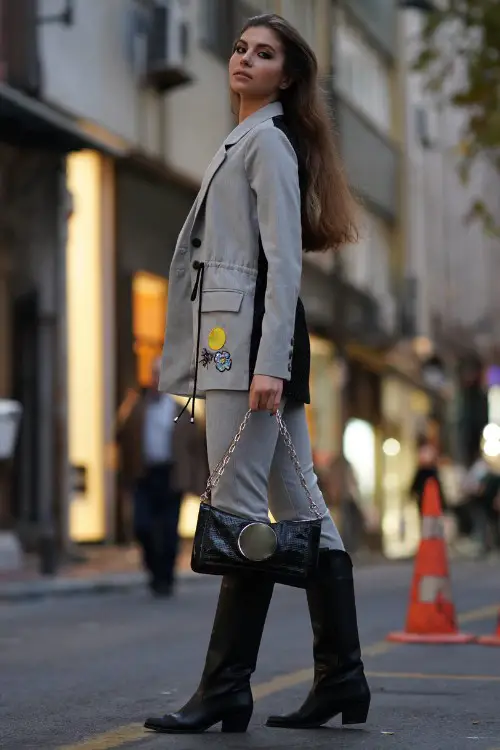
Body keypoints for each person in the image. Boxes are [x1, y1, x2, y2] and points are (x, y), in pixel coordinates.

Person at [144, 13, 370, 734]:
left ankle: (224, 689)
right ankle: (344, 678)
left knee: (238, 514)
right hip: (245, 346)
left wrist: (269, 364)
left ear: (288, 76)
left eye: (263, 54)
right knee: (302, 510)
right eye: (240, 48)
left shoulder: (265, 143)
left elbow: (284, 262)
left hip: (249, 352)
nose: (243, 59)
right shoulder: (250, 139)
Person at [118, 358, 208, 596]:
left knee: (168, 531)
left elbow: (196, 449)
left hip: (171, 476)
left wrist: (197, 481)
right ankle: (152, 567)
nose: (157, 379)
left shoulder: (181, 411)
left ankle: (165, 577)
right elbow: (123, 440)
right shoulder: (136, 408)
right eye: (155, 374)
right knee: (142, 526)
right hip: (144, 475)